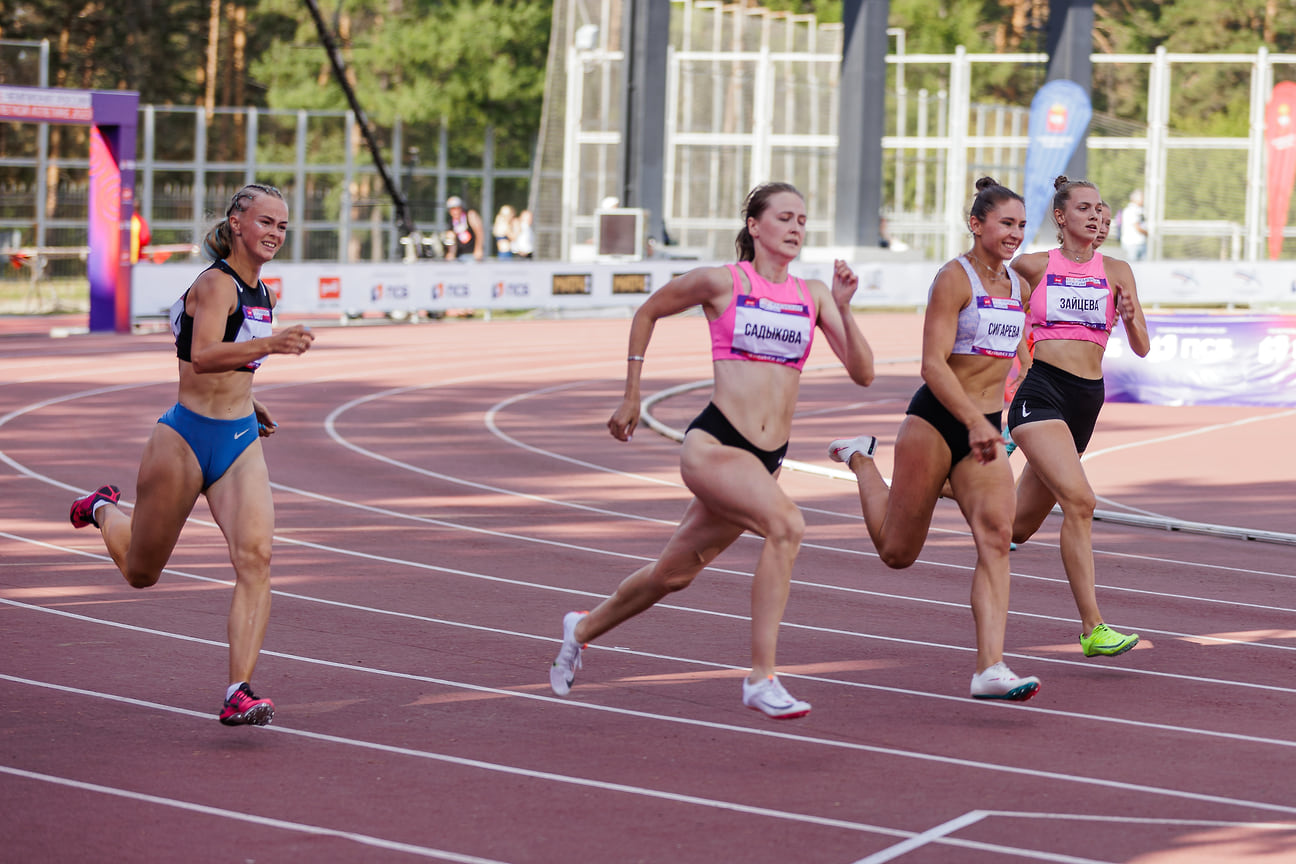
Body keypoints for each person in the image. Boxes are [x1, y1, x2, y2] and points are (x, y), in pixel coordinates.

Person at [549, 182, 875, 718]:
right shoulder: (722, 283)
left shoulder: (813, 294)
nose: (796, 228)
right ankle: (760, 678)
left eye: (803, 221)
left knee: (673, 574)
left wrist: (843, 308)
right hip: (715, 444)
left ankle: (580, 628)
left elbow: (862, 373)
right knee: (787, 525)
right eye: (785, 218)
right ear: (755, 226)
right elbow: (648, 312)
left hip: (763, 460)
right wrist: (631, 394)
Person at [68, 183, 315, 727]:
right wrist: (271, 346)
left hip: (238, 442)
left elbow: (233, 369)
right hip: (182, 441)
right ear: (236, 224)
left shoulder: (262, 293)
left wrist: (254, 402)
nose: (274, 233)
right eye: (265, 222)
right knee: (141, 573)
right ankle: (103, 508)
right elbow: (202, 358)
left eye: (282, 226)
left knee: (257, 560)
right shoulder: (214, 284)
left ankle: (238, 690)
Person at [827, 177, 1041, 702]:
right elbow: (932, 365)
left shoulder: (1020, 287)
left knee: (997, 536)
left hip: (985, 430)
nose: (1015, 234)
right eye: (1005, 223)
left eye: (1020, 225)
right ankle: (859, 459)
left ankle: (990, 667)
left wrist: (1007, 410)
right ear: (977, 225)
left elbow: (1019, 355)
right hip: (937, 422)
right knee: (898, 553)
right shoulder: (954, 278)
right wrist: (972, 420)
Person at [1005, 175, 1150, 659]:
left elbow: (1142, 347)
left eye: (1102, 208)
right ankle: (1092, 628)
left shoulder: (1118, 270)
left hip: (1087, 401)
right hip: (1042, 392)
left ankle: (936, 480)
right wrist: (1010, 382)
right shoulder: (1030, 266)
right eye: (1085, 208)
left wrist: (1129, 315)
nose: (1096, 216)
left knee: (1014, 528)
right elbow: (1000, 322)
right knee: (1080, 502)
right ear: (1062, 218)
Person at [444, 195, 484, 261]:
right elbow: (452, 239)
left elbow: (479, 232)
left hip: (472, 254)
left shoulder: (470, 215)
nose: (455, 211)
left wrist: (479, 249)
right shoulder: (452, 222)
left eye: (457, 208)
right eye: (452, 209)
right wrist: (451, 253)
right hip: (460, 255)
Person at [1118, 189, 1147, 261]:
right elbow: (1137, 227)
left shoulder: (1140, 210)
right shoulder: (1131, 210)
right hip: (1132, 244)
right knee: (1133, 267)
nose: (1143, 200)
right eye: (1142, 197)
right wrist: (1148, 233)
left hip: (1140, 243)